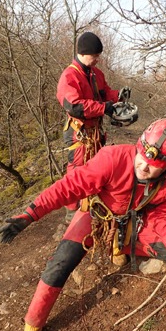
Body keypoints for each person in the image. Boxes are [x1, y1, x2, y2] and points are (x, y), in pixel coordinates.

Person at [0, 118, 166, 331]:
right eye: (142, 157)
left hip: (134, 219)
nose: (143, 166)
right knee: (60, 263)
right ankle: (32, 325)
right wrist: (29, 215)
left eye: (153, 165)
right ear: (138, 145)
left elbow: (162, 217)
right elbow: (67, 188)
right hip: (96, 214)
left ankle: (119, 245)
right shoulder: (113, 158)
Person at [56, 31, 131, 222]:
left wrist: (117, 96)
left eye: (98, 56)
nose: (97, 59)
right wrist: (103, 108)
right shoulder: (69, 76)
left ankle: (92, 204)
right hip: (79, 132)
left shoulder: (96, 74)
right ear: (83, 52)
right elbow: (75, 106)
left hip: (95, 131)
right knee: (77, 170)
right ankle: (72, 212)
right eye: (95, 56)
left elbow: (104, 94)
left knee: (97, 168)